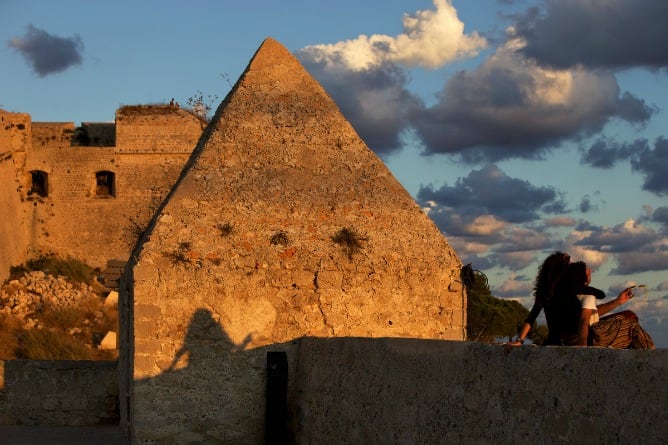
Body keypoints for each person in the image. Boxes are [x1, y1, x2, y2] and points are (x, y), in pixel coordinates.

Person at [555, 261, 655, 349]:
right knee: (632, 326)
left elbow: (590, 313)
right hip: (593, 337)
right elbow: (584, 320)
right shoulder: (588, 296)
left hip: (571, 339)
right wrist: (583, 347)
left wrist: (618, 301)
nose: (590, 271)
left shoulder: (569, 296)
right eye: (587, 271)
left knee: (628, 315)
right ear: (584, 277)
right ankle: (652, 356)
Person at [508, 251, 571, 347]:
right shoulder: (569, 291)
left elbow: (531, 318)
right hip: (569, 342)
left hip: (554, 342)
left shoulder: (545, 293)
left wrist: (520, 340)